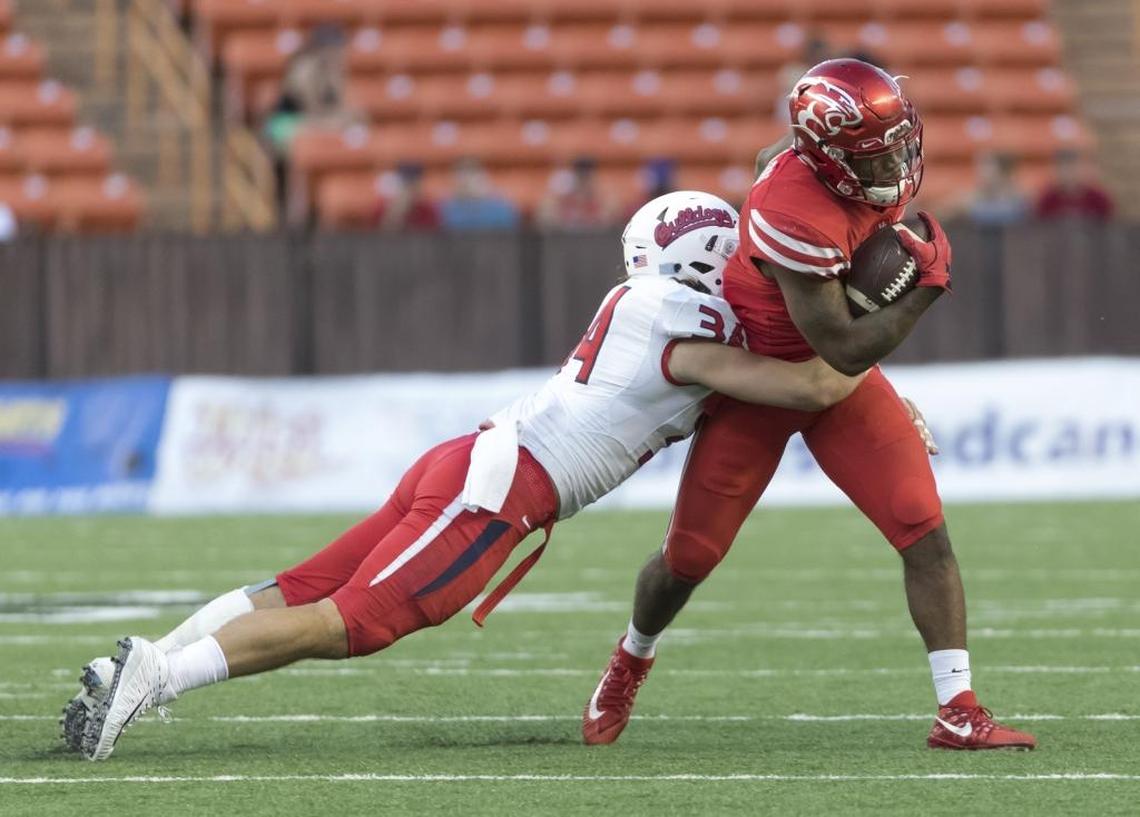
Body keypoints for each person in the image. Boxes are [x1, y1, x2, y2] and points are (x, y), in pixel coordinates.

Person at [64, 190, 927, 762]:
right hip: (498, 491)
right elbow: (812, 380)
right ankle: (155, 676)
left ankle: (139, 666)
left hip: (468, 458)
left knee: (296, 585)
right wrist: (898, 314)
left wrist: (880, 394)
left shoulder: (645, 305)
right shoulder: (691, 321)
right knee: (352, 621)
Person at [582, 59, 1036, 751]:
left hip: (838, 384)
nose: (894, 157)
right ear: (829, 157)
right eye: (874, 149)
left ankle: (958, 709)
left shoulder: (821, 165)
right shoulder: (793, 214)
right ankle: (631, 656)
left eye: (895, 140)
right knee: (688, 557)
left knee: (925, 530)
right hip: (764, 380)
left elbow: (778, 161)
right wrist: (925, 287)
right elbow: (842, 346)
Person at [537, 156, 619, 229]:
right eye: (580, 173)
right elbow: (544, 218)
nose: (584, 178)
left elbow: (613, 221)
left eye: (588, 174)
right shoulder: (562, 200)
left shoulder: (603, 201)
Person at [438, 157, 519, 230]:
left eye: (471, 176)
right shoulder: (446, 209)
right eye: (461, 178)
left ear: (483, 178)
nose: (466, 182)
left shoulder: (500, 208)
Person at [1035, 149, 1113, 222]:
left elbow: (1109, 226)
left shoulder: (1098, 199)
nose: (1068, 174)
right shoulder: (1047, 200)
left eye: (1071, 169)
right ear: (1056, 171)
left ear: (1080, 169)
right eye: (1063, 169)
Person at [372, 162, 441, 231]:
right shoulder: (381, 210)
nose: (409, 189)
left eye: (413, 184)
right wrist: (394, 215)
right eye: (405, 185)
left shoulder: (427, 210)